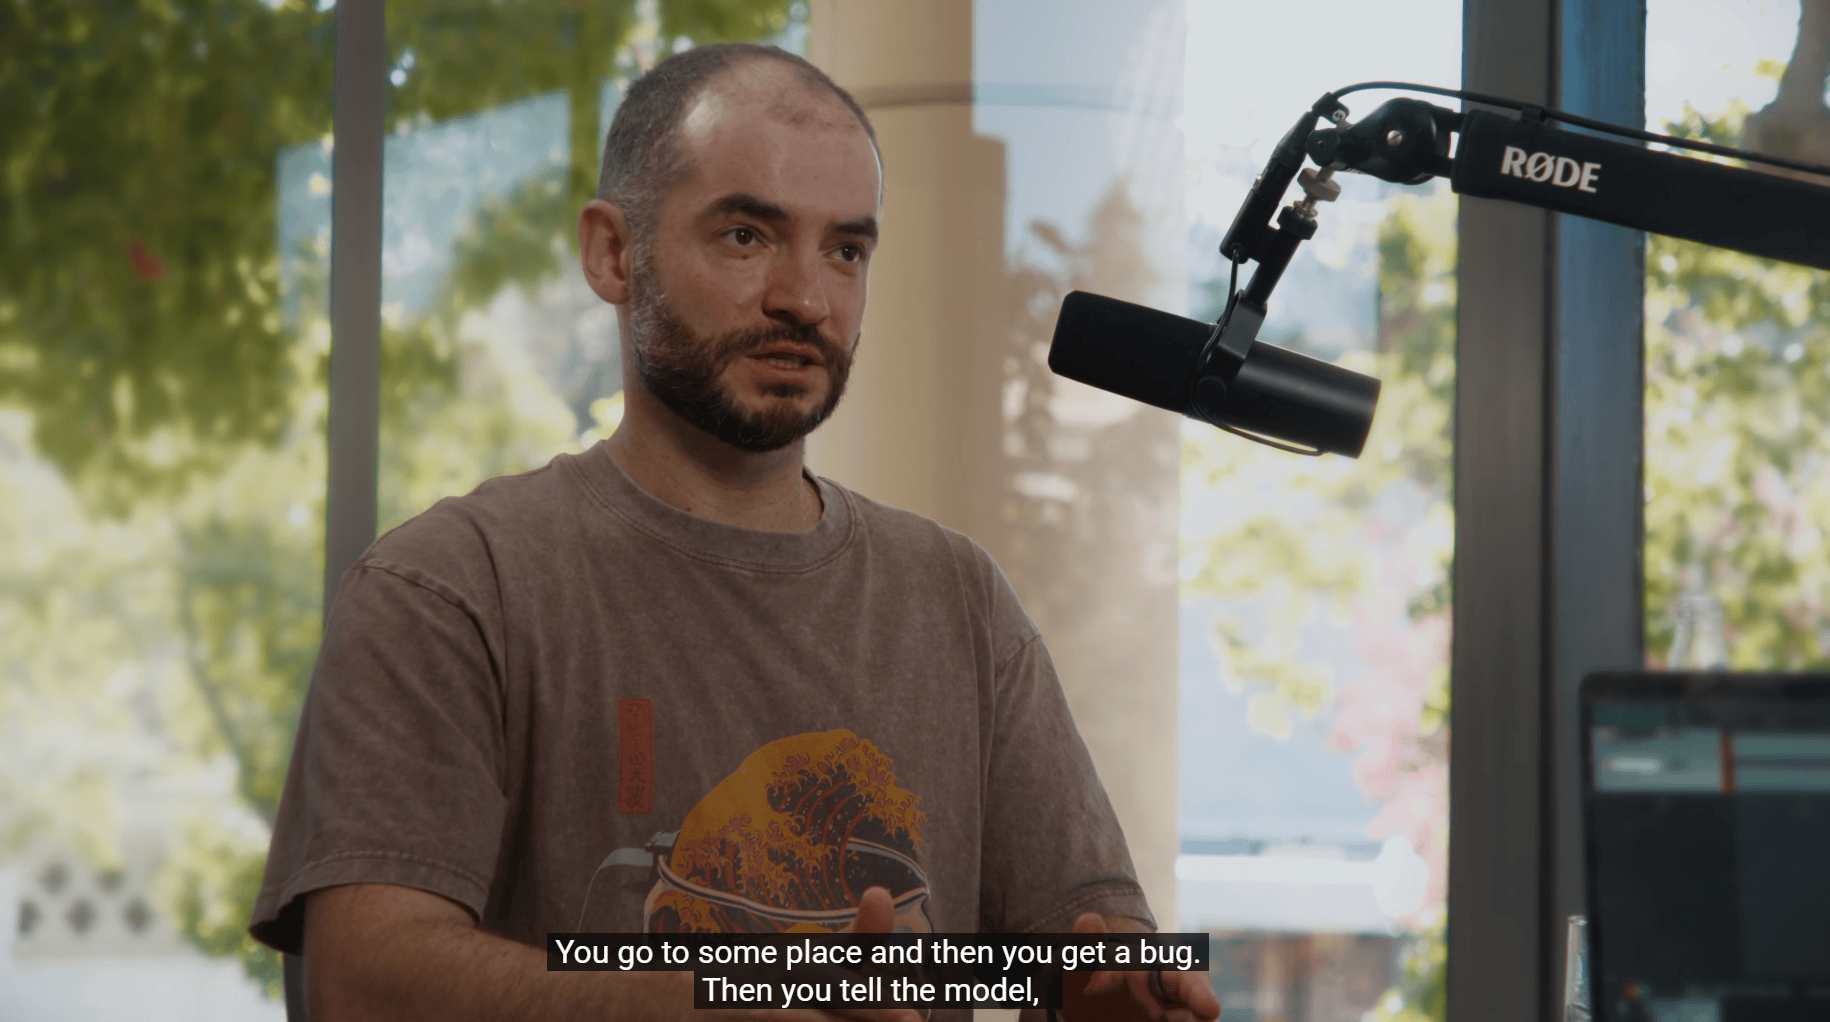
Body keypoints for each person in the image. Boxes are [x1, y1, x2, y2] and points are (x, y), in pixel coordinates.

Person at [248, 41, 1219, 1022]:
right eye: (748, 235)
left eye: (846, 250)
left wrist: (1121, 980)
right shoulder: (449, 587)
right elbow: (359, 982)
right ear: (613, 253)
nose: (807, 298)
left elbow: (1087, 944)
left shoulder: (957, 597)